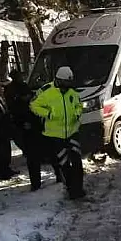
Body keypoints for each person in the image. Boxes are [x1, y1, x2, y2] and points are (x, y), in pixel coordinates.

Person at [31, 66, 86, 200]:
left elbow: (79, 105)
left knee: (77, 161)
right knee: (64, 163)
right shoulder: (46, 92)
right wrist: (48, 114)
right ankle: (70, 189)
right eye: (66, 83)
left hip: (72, 132)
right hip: (55, 136)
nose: (68, 86)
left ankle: (79, 188)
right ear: (59, 80)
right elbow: (33, 105)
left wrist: (78, 113)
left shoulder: (72, 92)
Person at [6, 69, 63, 190]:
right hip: (29, 130)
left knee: (50, 154)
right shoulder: (12, 91)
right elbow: (14, 111)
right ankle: (37, 182)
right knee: (35, 158)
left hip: (38, 127)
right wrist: (22, 124)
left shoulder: (26, 89)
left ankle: (58, 175)